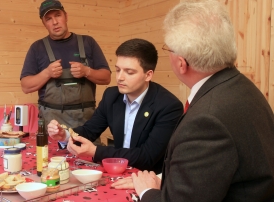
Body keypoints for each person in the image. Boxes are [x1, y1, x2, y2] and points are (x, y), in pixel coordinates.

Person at [111, 0, 274, 201]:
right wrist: (163, 180)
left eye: (168, 49)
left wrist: (147, 192)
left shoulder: (206, 121)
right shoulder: (242, 87)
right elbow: (213, 173)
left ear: (181, 63)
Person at [47, 38, 183, 174]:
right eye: (118, 70)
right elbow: (90, 130)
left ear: (148, 75)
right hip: (116, 171)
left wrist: (96, 151)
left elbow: (147, 157)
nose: (120, 78)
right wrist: (64, 135)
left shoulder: (169, 106)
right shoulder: (111, 95)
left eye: (129, 72)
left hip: (148, 178)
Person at [20, 0, 111, 129]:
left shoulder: (88, 42)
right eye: (48, 19)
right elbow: (25, 86)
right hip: (52, 124)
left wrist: (87, 72)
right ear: (44, 23)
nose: (55, 22)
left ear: (66, 16)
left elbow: (106, 77)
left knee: (89, 149)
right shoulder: (37, 48)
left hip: (86, 124)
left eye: (58, 15)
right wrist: (47, 73)